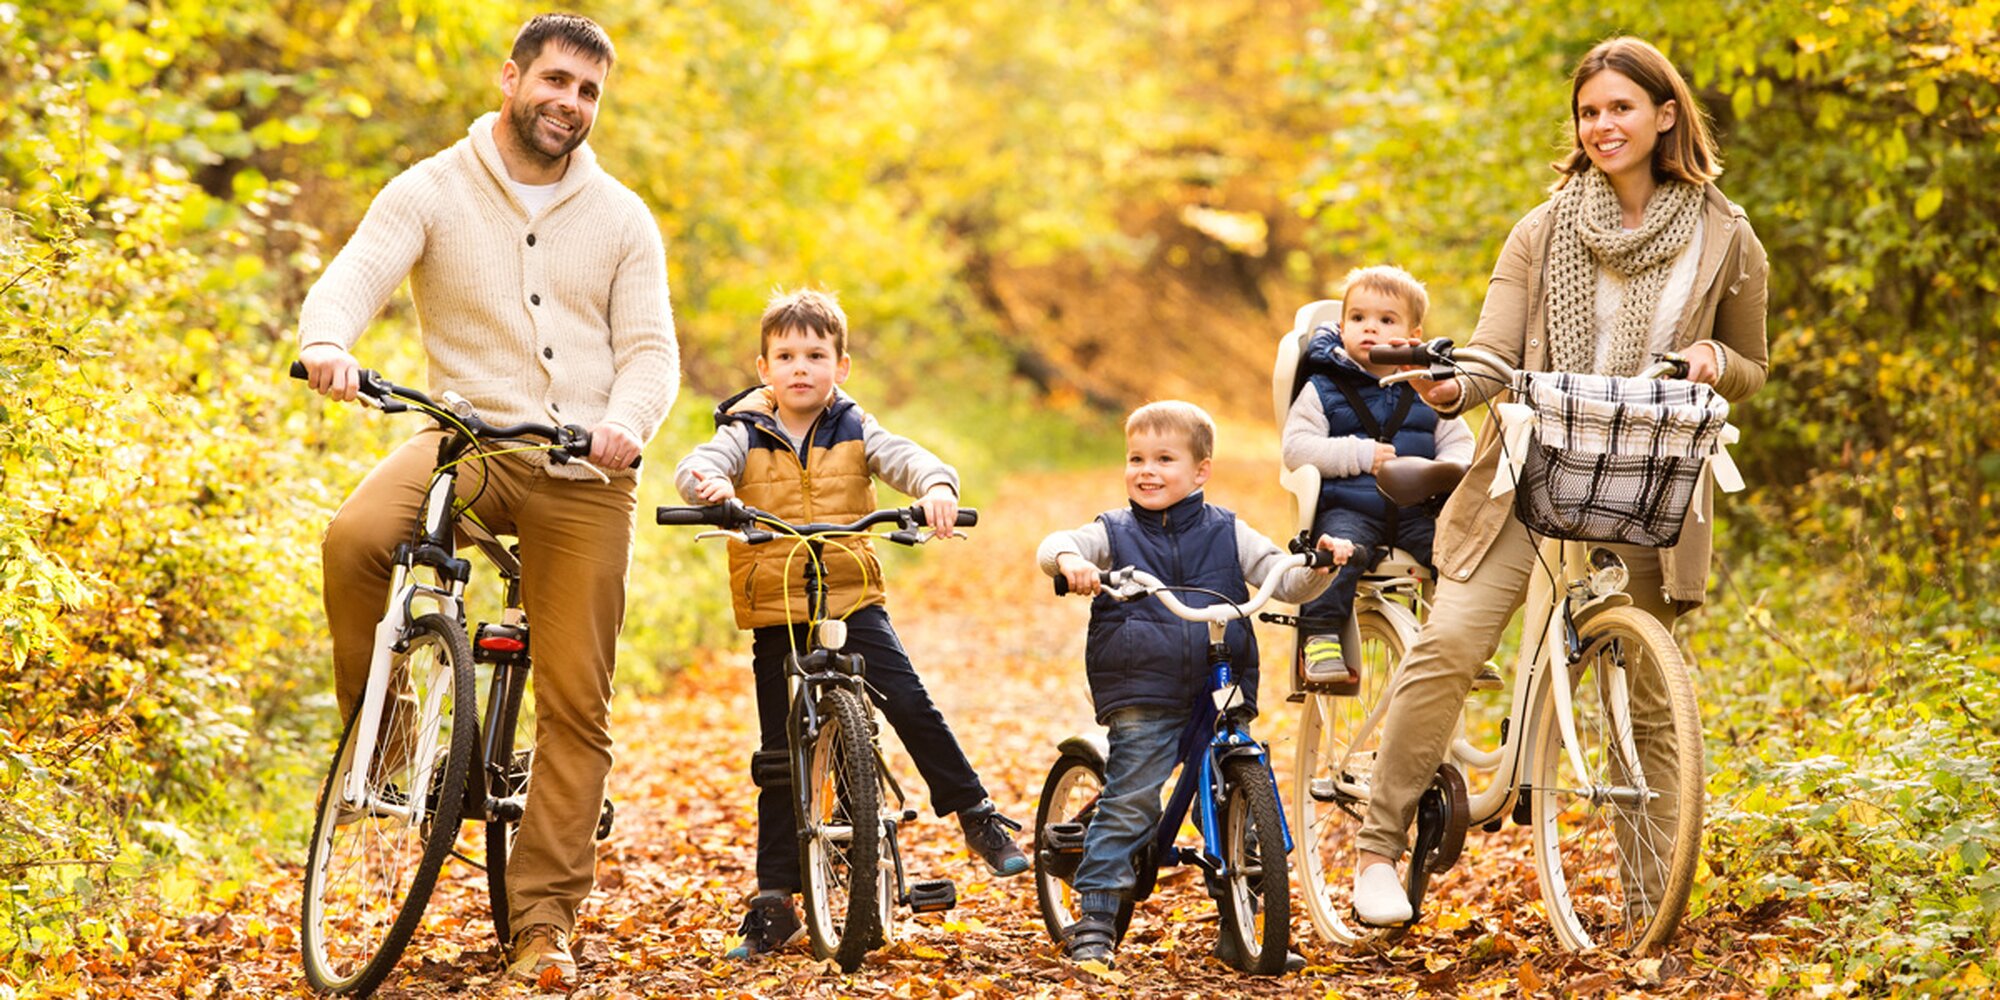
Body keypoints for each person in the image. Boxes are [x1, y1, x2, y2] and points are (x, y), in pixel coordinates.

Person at [1348, 36, 1769, 928]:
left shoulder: (1727, 236)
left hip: (1644, 475)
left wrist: (1711, 359)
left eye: (1621, 107)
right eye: (1589, 111)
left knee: (1650, 699)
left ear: (1665, 115)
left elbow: (1752, 363)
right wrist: (1453, 386)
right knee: (1453, 641)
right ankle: (1377, 849)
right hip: (1530, 471)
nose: (1603, 125)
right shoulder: (1542, 230)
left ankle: (1654, 897)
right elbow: (1495, 356)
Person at [295, 13, 678, 982]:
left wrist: (627, 421)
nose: (569, 104)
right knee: (356, 539)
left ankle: (542, 921)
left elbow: (649, 352)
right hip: (465, 438)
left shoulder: (622, 218)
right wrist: (329, 343)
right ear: (511, 78)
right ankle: (385, 757)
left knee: (576, 700)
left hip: (583, 470)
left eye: (588, 92)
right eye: (555, 81)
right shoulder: (431, 189)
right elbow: (353, 278)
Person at [674, 288, 1029, 960]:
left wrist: (937, 490)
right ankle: (775, 900)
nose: (800, 367)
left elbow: (910, 461)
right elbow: (697, 467)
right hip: (777, 609)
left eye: (815, 354)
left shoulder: (856, 428)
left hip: (851, 596)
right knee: (779, 760)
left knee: (910, 701)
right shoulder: (742, 432)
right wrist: (710, 490)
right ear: (763, 368)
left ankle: (975, 813)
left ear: (842, 365)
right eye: (786, 356)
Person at [1038, 400, 1348, 972]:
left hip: (1220, 678)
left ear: (1201, 470)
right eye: (1136, 458)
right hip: (1144, 684)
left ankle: (1242, 922)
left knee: (1237, 804)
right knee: (1132, 799)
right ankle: (1097, 918)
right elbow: (1058, 545)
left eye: (1164, 459)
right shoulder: (1114, 531)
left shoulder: (1229, 532)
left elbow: (1286, 580)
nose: (1146, 470)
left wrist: (1320, 566)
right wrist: (1069, 562)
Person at [1280, 265, 1474, 688]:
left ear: (1412, 335)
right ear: (1341, 325)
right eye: (1358, 318)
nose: (1370, 329)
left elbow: (1462, 445)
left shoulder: (1426, 388)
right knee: (1338, 554)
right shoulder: (1324, 387)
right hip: (1351, 505)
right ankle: (1321, 640)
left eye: (1386, 321)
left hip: (1414, 512)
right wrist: (1359, 454)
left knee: (1459, 556)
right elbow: (1295, 448)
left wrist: (1443, 472)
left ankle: (1459, 645)